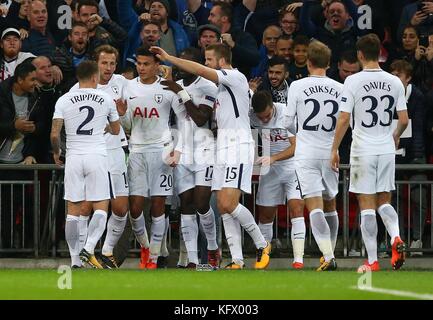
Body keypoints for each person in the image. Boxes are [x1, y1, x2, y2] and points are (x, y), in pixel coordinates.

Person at [150, 43, 271, 270]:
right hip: (221, 147)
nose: (206, 64)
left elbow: (200, 72)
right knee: (223, 208)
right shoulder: (222, 89)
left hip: (237, 145)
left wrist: (169, 58)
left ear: (222, 61)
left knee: (228, 203)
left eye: (209, 60)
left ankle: (262, 243)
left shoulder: (234, 76)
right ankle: (236, 259)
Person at [330, 34, 409, 272]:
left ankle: (373, 261)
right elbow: (403, 120)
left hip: (362, 149)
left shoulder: (353, 82)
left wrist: (333, 149)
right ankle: (395, 236)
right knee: (384, 201)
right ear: (380, 54)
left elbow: (344, 118)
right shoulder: (395, 81)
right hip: (385, 148)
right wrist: (394, 137)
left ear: (360, 55)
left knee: (366, 204)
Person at [118, 45, 186, 269]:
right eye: (138, 63)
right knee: (135, 208)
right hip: (137, 150)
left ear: (158, 65)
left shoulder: (167, 88)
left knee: (158, 206)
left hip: (162, 151)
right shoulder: (128, 87)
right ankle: (146, 247)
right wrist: (121, 114)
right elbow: (127, 125)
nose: (141, 68)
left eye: (146, 64)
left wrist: (179, 149)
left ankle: (153, 259)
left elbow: (184, 120)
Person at [50, 60, 120, 268]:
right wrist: (104, 128)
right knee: (101, 205)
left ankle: (74, 261)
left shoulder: (64, 99)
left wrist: (57, 152)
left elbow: (54, 134)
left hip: (73, 156)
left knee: (73, 209)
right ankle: (88, 248)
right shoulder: (105, 98)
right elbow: (116, 130)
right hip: (96, 155)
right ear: (94, 77)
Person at [71, 45, 130, 269]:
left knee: (121, 208)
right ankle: (84, 256)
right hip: (93, 152)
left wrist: (123, 115)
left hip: (116, 152)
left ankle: (106, 252)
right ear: (95, 63)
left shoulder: (122, 84)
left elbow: (130, 119)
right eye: (104, 63)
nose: (108, 67)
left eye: (112, 63)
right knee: (86, 207)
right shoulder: (79, 89)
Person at [161, 47, 220, 268]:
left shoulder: (207, 86)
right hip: (183, 152)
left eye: (185, 63)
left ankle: (213, 249)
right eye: (178, 63)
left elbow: (200, 118)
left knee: (202, 203)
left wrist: (179, 91)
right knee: (186, 204)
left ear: (195, 65)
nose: (180, 67)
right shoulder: (176, 86)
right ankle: (193, 260)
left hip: (204, 151)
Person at [287, 40, 342, 271]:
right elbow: (345, 121)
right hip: (330, 151)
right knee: (330, 204)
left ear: (308, 62)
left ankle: (328, 256)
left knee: (314, 204)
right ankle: (330, 252)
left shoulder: (297, 87)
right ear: (329, 63)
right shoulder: (341, 88)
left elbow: (288, 122)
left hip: (306, 151)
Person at [250, 90, 306, 269]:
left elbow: (296, 146)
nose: (264, 120)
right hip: (269, 169)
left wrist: (273, 158)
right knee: (265, 214)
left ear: (272, 107)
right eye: (261, 118)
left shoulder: (286, 113)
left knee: (297, 209)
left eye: (266, 116)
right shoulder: (252, 115)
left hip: (292, 166)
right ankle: (263, 256)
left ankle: (298, 260)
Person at [389, 59, 427, 256]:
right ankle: (398, 240)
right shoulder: (387, 96)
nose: (394, 80)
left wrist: (418, 158)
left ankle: (417, 240)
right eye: (392, 75)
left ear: (408, 78)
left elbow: (418, 129)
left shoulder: (417, 97)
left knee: (418, 193)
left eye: (398, 76)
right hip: (391, 155)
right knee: (391, 198)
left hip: (413, 157)